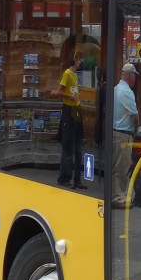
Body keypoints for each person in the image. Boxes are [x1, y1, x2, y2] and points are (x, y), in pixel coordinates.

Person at [53, 52, 85, 188]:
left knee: (78, 148)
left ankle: (77, 179)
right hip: (68, 111)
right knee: (68, 146)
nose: (80, 62)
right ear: (75, 61)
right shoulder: (67, 73)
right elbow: (57, 92)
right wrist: (69, 96)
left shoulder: (75, 75)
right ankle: (64, 177)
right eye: (79, 60)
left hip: (76, 111)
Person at [111, 62, 139, 208]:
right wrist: (138, 128)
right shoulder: (127, 92)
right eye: (134, 76)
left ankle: (117, 194)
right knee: (121, 167)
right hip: (123, 133)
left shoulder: (116, 89)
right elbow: (134, 115)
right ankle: (118, 197)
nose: (135, 80)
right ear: (130, 76)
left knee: (117, 165)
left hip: (115, 132)